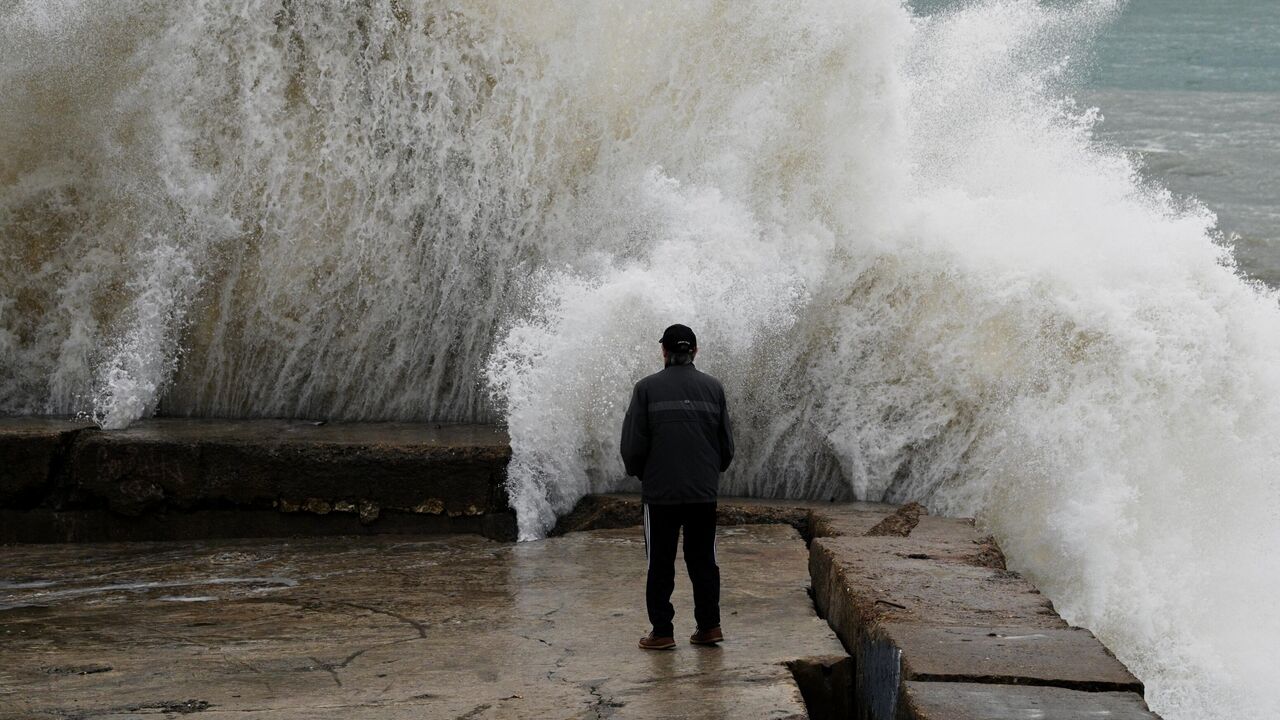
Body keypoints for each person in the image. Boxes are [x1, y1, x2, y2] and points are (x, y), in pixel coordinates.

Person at [620, 323, 734, 651]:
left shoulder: (645, 389)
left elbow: (632, 446)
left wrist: (642, 473)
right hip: (702, 492)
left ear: (665, 352)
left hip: (660, 494)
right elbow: (726, 447)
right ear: (695, 352)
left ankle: (662, 631)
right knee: (703, 560)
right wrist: (709, 473)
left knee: (660, 561)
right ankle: (709, 626)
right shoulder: (714, 388)